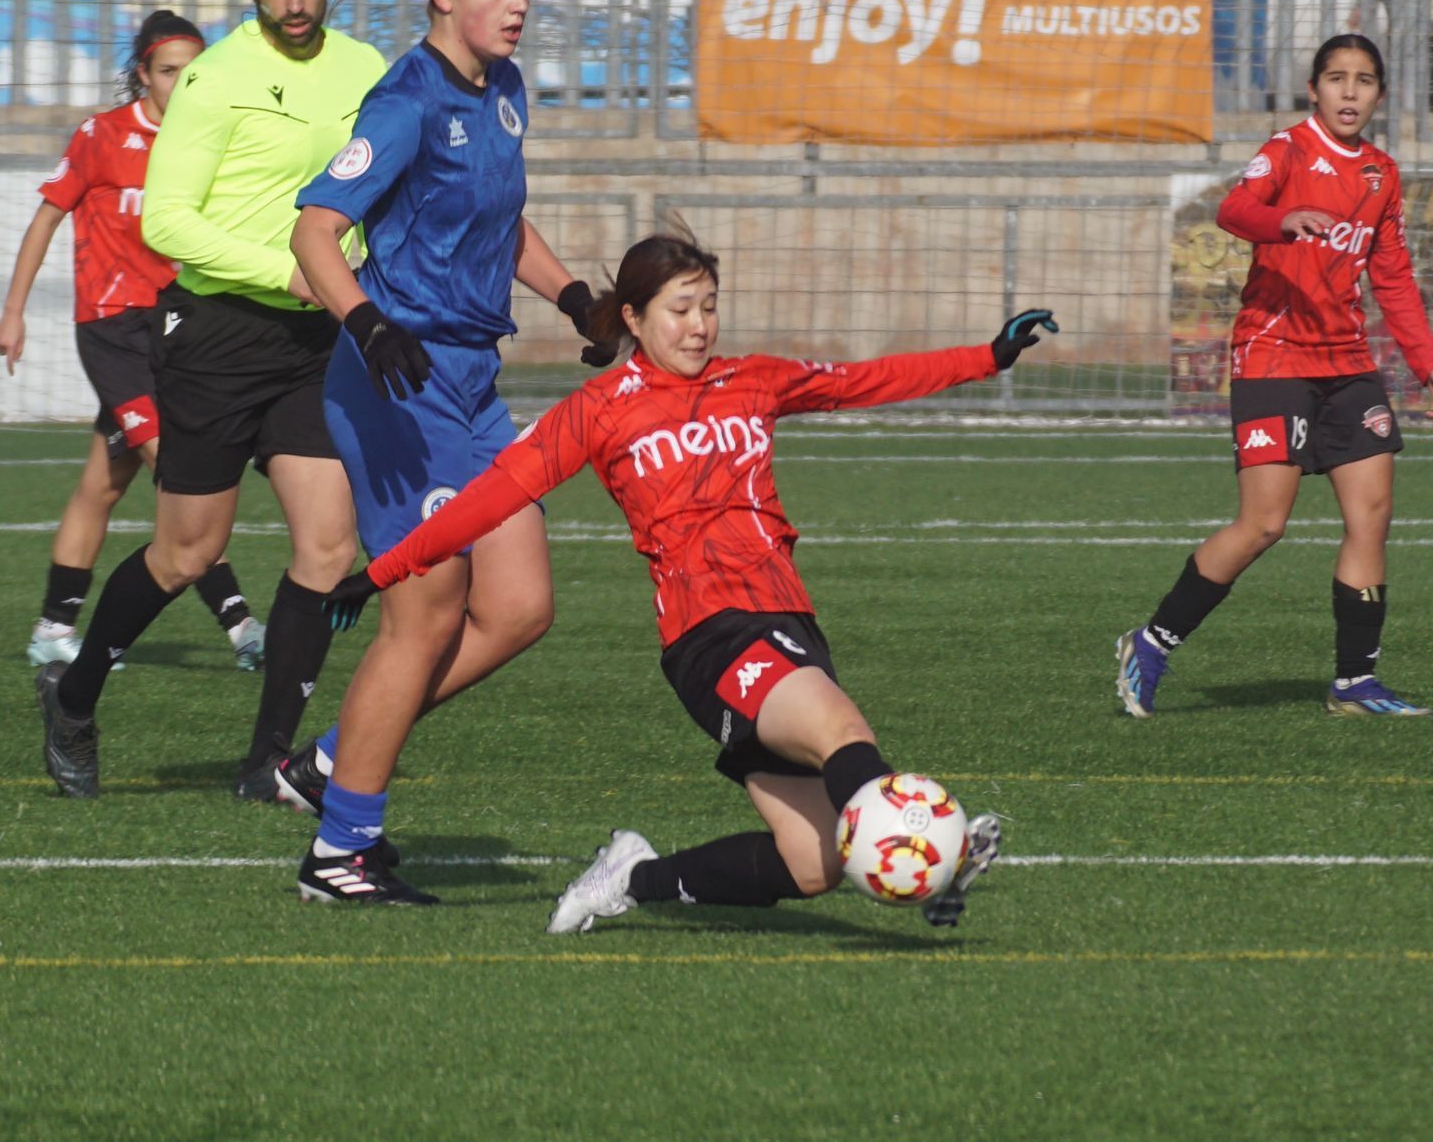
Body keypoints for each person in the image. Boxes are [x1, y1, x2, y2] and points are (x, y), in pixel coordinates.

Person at [307, 231, 1053, 923]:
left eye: (709, 307)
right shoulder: (600, 411)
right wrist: (387, 569)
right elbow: (493, 495)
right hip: (712, 634)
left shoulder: (751, 380)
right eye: (680, 310)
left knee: (814, 861)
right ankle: (933, 861)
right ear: (633, 317)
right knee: (842, 731)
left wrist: (988, 357)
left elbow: (866, 380)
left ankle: (632, 880)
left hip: (789, 623)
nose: (699, 326)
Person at [268, 0, 613, 888]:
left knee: (517, 607)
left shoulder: (501, 91)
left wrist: (573, 297)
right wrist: (367, 324)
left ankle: (331, 760)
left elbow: (498, 223)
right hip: (393, 381)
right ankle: (339, 846)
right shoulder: (408, 99)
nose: (517, 4)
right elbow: (315, 233)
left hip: (467, 383)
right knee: (422, 614)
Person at [35, 0, 388, 800]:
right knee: (188, 554)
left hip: (314, 342)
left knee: (327, 546)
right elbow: (168, 220)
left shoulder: (365, 69)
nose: (298, 2)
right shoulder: (216, 79)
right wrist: (290, 268)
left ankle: (266, 760)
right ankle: (74, 697)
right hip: (218, 335)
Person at [1117, 34, 1433, 718]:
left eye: (1365, 80)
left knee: (1371, 517)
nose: (1350, 92)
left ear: (1380, 94)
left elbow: (1394, 278)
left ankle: (1355, 683)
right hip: (1273, 356)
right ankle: (1152, 641)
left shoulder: (1380, 173)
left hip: (1347, 363)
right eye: (1337, 78)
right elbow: (1234, 209)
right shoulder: (1288, 149)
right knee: (1264, 524)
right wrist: (1281, 220)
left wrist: (1427, 367)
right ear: (1314, 89)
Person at [0, 11, 265, 675]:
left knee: (101, 485)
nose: (184, 83)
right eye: (170, 71)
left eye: (195, 71)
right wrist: (14, 311)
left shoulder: (212, 139)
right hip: (114, 329)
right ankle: (243, 628)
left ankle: (55, 628)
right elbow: (47, 217)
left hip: (179, 329)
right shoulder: (102, 137)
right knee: (179, 471)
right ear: (142, 74)